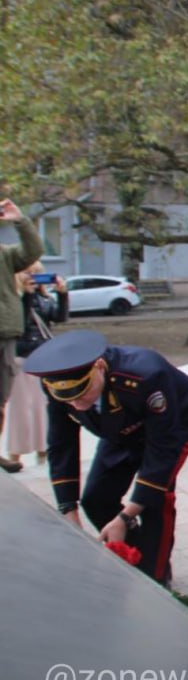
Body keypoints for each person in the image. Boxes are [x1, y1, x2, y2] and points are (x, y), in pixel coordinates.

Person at [26, 330, 188, 584]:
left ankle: (156, 575)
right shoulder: (56, 384)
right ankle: (133, 552)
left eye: (82, 393)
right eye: (69, 399)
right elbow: (62, 444)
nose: (76, 405)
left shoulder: (145, 376)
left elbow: (163, 449)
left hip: (174, 422)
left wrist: (126, 514)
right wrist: (69, 512)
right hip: (118, 425)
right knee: (95, 498)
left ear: (99, 367)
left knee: (156, 498)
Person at [7, 262, 68, 468]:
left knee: (44, 405)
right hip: (20, 356)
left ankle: (44, 449)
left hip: (45, 357)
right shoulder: (12, 298)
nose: (32, 276)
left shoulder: (44, 298)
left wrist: (62, 294)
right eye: (27, 272)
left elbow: (60, 317)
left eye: (37, 273)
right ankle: (16, 452)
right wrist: (26, 295)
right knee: (21, 408)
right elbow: (19, 324)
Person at [0, 199, 42, 474]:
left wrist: (19, 220)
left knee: (1, 399)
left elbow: (33, 251)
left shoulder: (4, 255)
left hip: (4, 333)